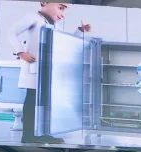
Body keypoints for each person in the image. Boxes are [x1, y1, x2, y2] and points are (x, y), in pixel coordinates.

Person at [7, 2, 90, 144]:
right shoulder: (33, 18)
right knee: (33, 100)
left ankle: (41, 133)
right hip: (34, 69)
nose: (63, 15)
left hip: (48, 70)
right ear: (45, 2)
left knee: (45, 103)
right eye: (61, 8)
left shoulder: (55, 26)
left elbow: (65, 43)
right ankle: (29, 135)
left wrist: (80, 31)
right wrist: (21, 52)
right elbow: (11, 32)